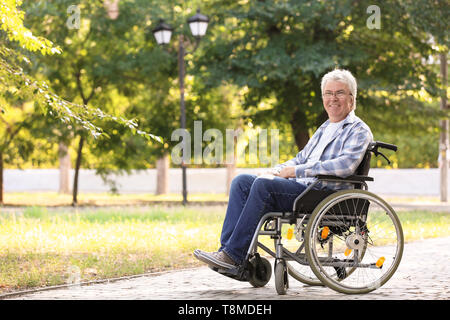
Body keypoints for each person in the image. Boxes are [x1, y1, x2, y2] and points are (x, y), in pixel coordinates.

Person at [194, 69, 373, 271]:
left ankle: (233, 256)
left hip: (325, 194)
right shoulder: (324, 128)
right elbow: (300, 159)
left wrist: (295, 172)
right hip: (304, 190)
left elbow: (345, 166)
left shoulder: (358, 129)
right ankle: (227, 253)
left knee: (263, 186)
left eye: (339, 93)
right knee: (242, 181)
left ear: (352, 98)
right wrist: (274, 171)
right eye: (328, 93)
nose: (333, 98)